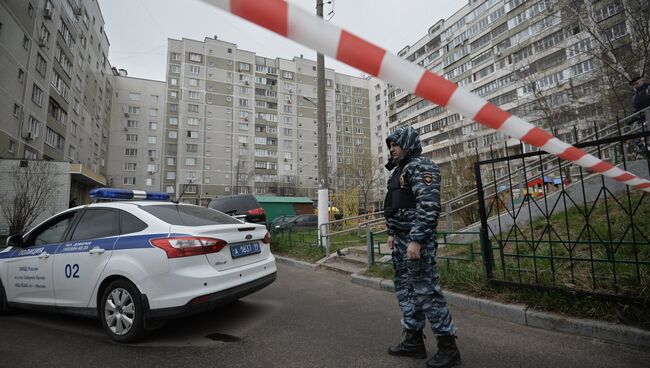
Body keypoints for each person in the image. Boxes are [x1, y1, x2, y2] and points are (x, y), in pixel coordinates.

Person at [383, 126, 460, 368]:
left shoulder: (421, 166)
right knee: (406, 292)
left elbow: (428, 207)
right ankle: (413, 342)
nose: (392, 149)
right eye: (390, 145)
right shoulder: (400, 170)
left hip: (417, 241)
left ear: (407, 143)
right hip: (401, 240)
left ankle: (449, 349)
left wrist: (416, 239)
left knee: (427, 292)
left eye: (395, 144)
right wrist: (392, 233)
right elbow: (396, 204)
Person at [629, 76, 650, 158]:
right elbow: (635, 109)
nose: (635, 86)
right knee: (637, 137)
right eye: (633, 85)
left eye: (636, 83)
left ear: (642, 80)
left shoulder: (648, 88)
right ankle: (647, 152)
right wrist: (634, 118)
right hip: (642, 119)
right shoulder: (635, 95)